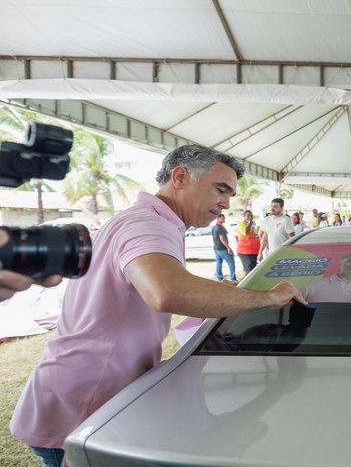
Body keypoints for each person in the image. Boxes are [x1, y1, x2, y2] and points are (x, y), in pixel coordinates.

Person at [10, 144, 306, 467]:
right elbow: (167, 291)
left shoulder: (147, 220)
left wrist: (215, 289)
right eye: (221, 189)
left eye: (231, 195)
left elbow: (156, 282)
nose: (226, 202)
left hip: (83, 396)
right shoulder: (149, 225)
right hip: (82, 408)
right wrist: (269, 298)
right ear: (180, 177)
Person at [258, 198, 294, 262]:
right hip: (270, 254)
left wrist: (291, 254)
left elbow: (292, 239)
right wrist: (260, 252)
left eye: (275, 206)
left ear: (281, 207)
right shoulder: (266, 220)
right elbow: (265, 237)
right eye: (271, 206)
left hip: (284, 255)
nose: (272, 208)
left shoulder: (286, 220)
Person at [211, 213, 236, 282]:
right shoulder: (220, 227)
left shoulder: (214, 227)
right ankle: (233, 278)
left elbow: (225, 234)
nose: (224, 219)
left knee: (219, 263)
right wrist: (228, 247)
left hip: (216, 248)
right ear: (218, 219)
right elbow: (222, 238)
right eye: (222, 218)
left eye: (224, 218)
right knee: (231, 263)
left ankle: (220, 278)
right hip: (222, 248)